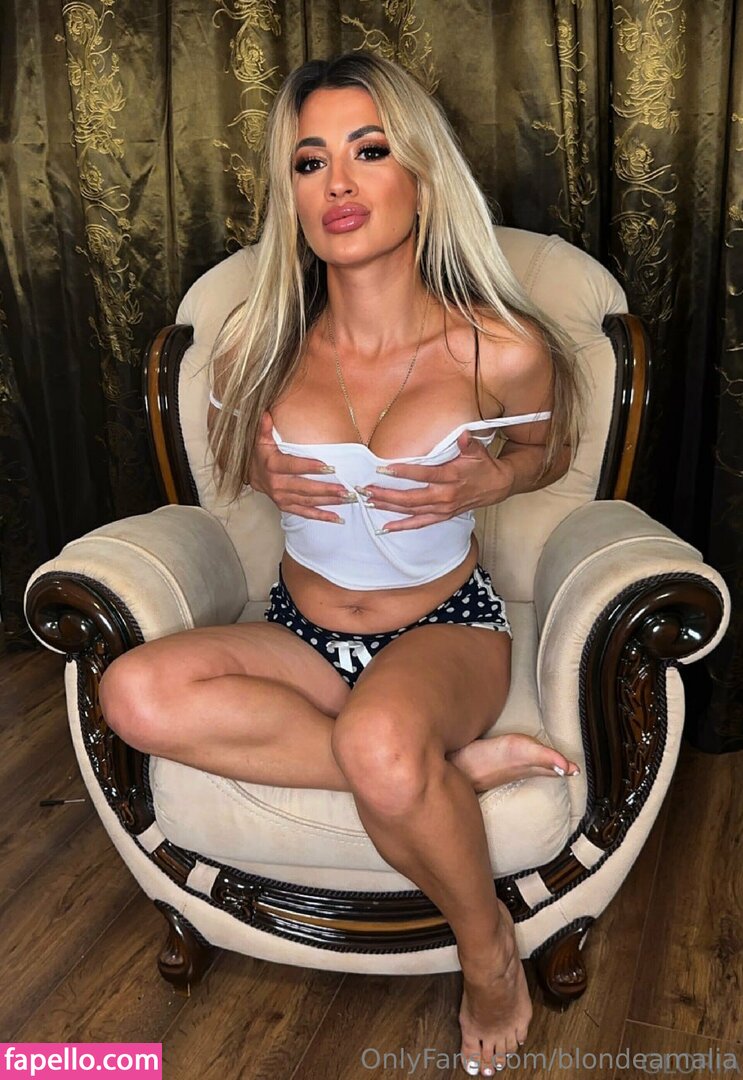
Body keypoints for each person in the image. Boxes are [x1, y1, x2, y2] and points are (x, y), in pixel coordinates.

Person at [100, 52, 583, 1077]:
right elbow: (235, 463)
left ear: (421, 174)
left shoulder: (499, 347)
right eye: (309, 161)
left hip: (443, 630)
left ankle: (488, 952)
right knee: (131, 692)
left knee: (380, 738)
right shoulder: (258, 344)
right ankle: (429, 775)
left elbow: (547, 451)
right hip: (300, 631)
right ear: (291, 193)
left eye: (368, 151)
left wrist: (495, 478)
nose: (339, 184)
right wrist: (260, 468)